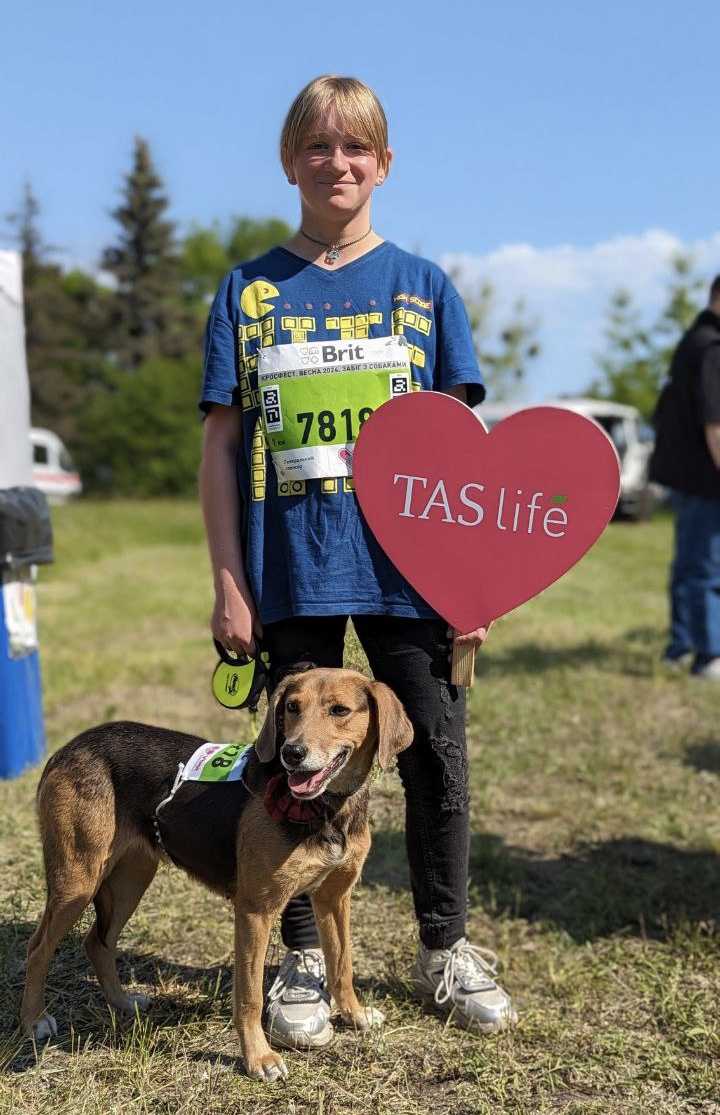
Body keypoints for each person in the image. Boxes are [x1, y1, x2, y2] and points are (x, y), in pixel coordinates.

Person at [199, 74, 516, 1050]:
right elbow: (219, 445)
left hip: (410, 573)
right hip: (290, 566)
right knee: (292, 772)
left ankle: (443, 947)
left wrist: (475, 581)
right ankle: (298, 954)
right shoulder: (247, 289)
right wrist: (226, 578)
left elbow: (463, 448)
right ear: (291, 161)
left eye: (357, 148)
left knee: (438, 765)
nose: (338, 164)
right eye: (319, 147)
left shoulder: (424, 287)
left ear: (383, 163)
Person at [649, 274, 720, 679]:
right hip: (706, 477)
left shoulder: (693, 341)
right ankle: (709, 656)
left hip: (686, 475)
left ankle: (681, 646)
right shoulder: (712, 348)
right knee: (705, 570)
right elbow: (716, 423)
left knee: (689, 566)